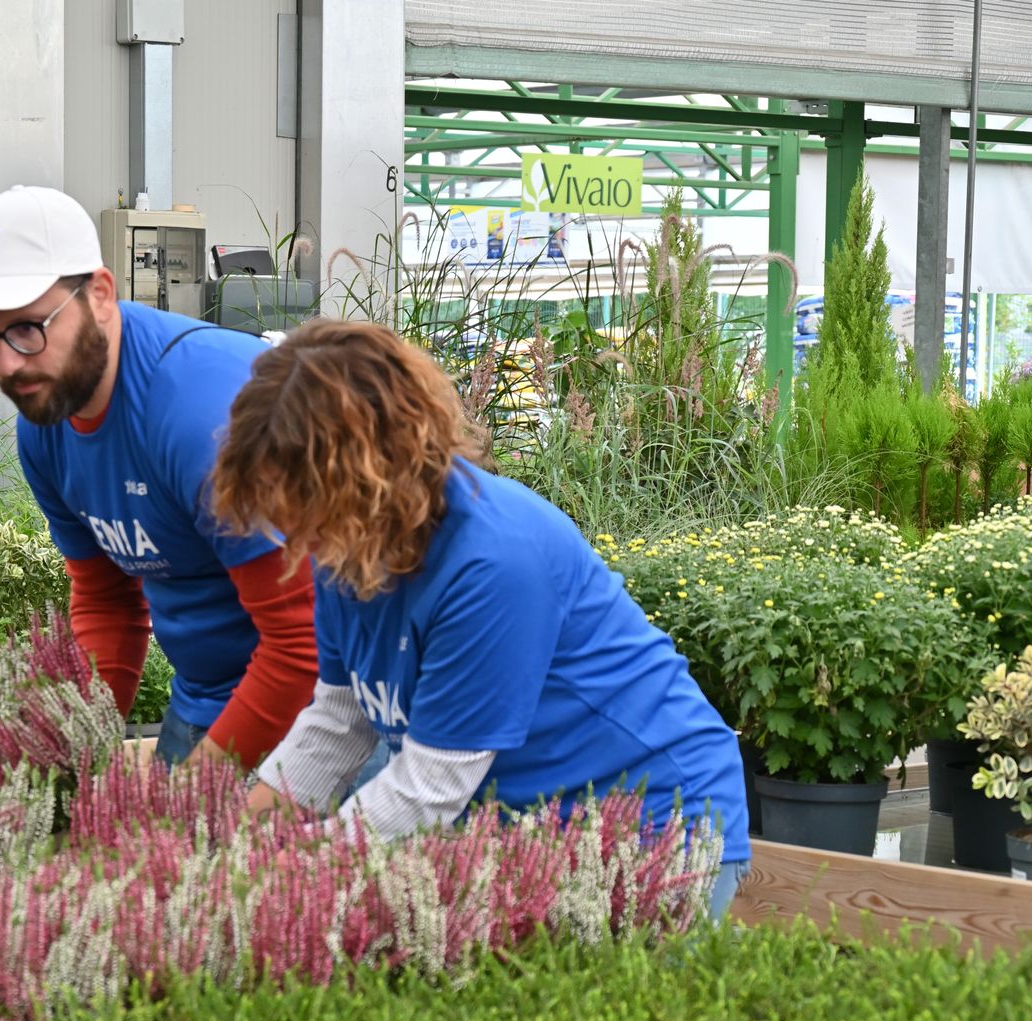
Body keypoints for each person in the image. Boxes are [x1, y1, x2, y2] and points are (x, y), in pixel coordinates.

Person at [213, 321, 751, 918]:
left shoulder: (493, 561)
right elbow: (340, 720)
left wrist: (285, 881)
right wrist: (235, 847)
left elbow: (429, 786)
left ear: (371, 476)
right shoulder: (346, 547)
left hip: (655, 830)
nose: (294, 534)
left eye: (305, 504)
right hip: (521, 837)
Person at [0, 185, 317, 771]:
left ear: (101, 295)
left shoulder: (203, 416)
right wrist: (69, 758)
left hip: (337, 708)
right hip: (207, 694)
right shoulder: (47, 425)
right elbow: (108, 600)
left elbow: (301, 645)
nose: (6, 364)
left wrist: (192, 789)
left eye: (27, 329)